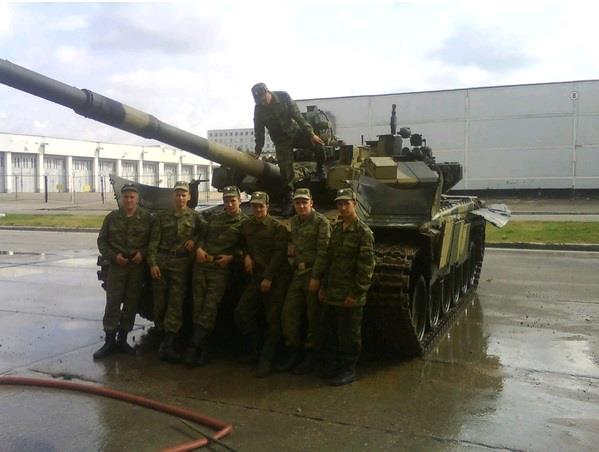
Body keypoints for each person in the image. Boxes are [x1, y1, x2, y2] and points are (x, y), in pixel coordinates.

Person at [183, 186, 247, 367]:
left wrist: (232, 257)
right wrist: (199, 248)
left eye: (233, 201)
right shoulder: (215, 218)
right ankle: (202, 347)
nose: (230, 204)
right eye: (226, 201)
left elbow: (247, 247)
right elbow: (202, 235)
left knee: (209, 307)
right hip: (202, 264)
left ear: (240, 201)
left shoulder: (245, 223)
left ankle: (193, 348)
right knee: (198, 306)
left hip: (219, 268)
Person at [319, 188, 375, 386]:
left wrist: (356, 292)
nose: (343, 207)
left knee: (349, 334)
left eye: (346, 203)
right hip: (332, 291)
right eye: (340, 204)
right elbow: (330, 260)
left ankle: (348, 369)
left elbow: (366, 267)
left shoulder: (363, 232)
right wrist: (323, 286)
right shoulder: (337, 229)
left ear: (355, 204)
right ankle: (334, 366)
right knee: (331, 331)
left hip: (350, 294)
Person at [234, 191, 291, 377]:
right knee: (242, 313)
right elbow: (241, 243)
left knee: (272, 319)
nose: (257, 209)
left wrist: (268, 277)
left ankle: (266, 359)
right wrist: (246, 256)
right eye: (254, 206)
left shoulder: (277, 228)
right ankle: (257, 348)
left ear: (267, 207)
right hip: (256, 276)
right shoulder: (247, 225)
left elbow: (279, 255)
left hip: (275, 278)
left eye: (261, 206)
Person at [94, 184, 153, 359]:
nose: (129, 200)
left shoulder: (147, 218)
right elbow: (102, 241)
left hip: (136, 267)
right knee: (112, 303)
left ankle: (122, 339)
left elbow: (154, 241)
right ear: (122, 198)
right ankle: (109, 341)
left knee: (131, 303)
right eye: (126, 197)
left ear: (137, 199)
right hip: (117, 266)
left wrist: (142, 254)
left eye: (132, 197)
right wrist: (113, 256)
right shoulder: (112, 218)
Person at [147, 181, 203, 362]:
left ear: (189, 197)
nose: (180, 198)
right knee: (159, 303)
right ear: (173, 196)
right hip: (162, 264)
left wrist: (195, 241)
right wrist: (153, 264)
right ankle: (161, 335)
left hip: (180, 265)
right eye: (177, 194)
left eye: (183, 195)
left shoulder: (195, 217)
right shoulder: (162, 217)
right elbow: (153, 242)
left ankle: (168, 343)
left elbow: (206, 232)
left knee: (175, 303)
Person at [278, 188, 330, 374]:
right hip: (298, 274)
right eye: (298, 203)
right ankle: (293, 352)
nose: (301, 206)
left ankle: (311, 357)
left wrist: (316, 277)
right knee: (288, 314)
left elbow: (324, 252)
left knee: (313, 317)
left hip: (312, 274)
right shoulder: (294, 221)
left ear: (311, 203)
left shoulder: (321, 222)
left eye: (304, 202)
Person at [251, 82, 325, 214]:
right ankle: (289, 198)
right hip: (281, 141)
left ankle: (320, 169)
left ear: (268, 92)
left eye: (263, 99)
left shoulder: (283, 97)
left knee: (319, 145)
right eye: (259, 101)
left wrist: (311, 134)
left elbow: (298, 116)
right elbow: (259, 131)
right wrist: (258, 151)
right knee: (285, 170)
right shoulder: (258, 109)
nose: (263, 103)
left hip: (295, 133)